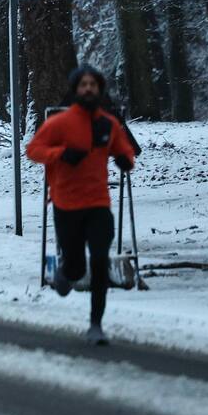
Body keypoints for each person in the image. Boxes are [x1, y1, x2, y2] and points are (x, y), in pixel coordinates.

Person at [26, 65, 137, 346]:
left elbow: (124, 149)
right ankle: (66, 274)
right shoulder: (60, 123)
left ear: (99, 90)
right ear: (75, 90)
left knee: (99, 260)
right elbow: (33, 150)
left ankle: (96, 324)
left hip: (98, 202)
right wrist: (62, 153)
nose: (88, 89)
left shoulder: (108, 123)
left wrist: (125, 160)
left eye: (93, 84)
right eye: (83, 84)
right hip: (66, 203)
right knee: (76, 267)